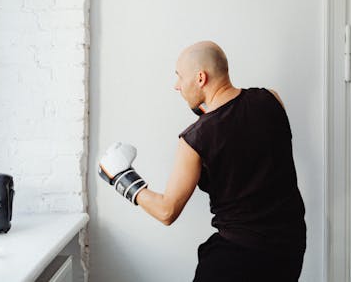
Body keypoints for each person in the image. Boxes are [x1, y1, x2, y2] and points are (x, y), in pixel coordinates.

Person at [98, 41, 307, 281]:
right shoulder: (271, 98)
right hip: (289, 248)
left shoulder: (195, 138)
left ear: (200, 78)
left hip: (237, 258)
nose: (176, 86)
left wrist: (121, 177)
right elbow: (247, 140)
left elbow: (167, 211)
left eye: (179, 76)